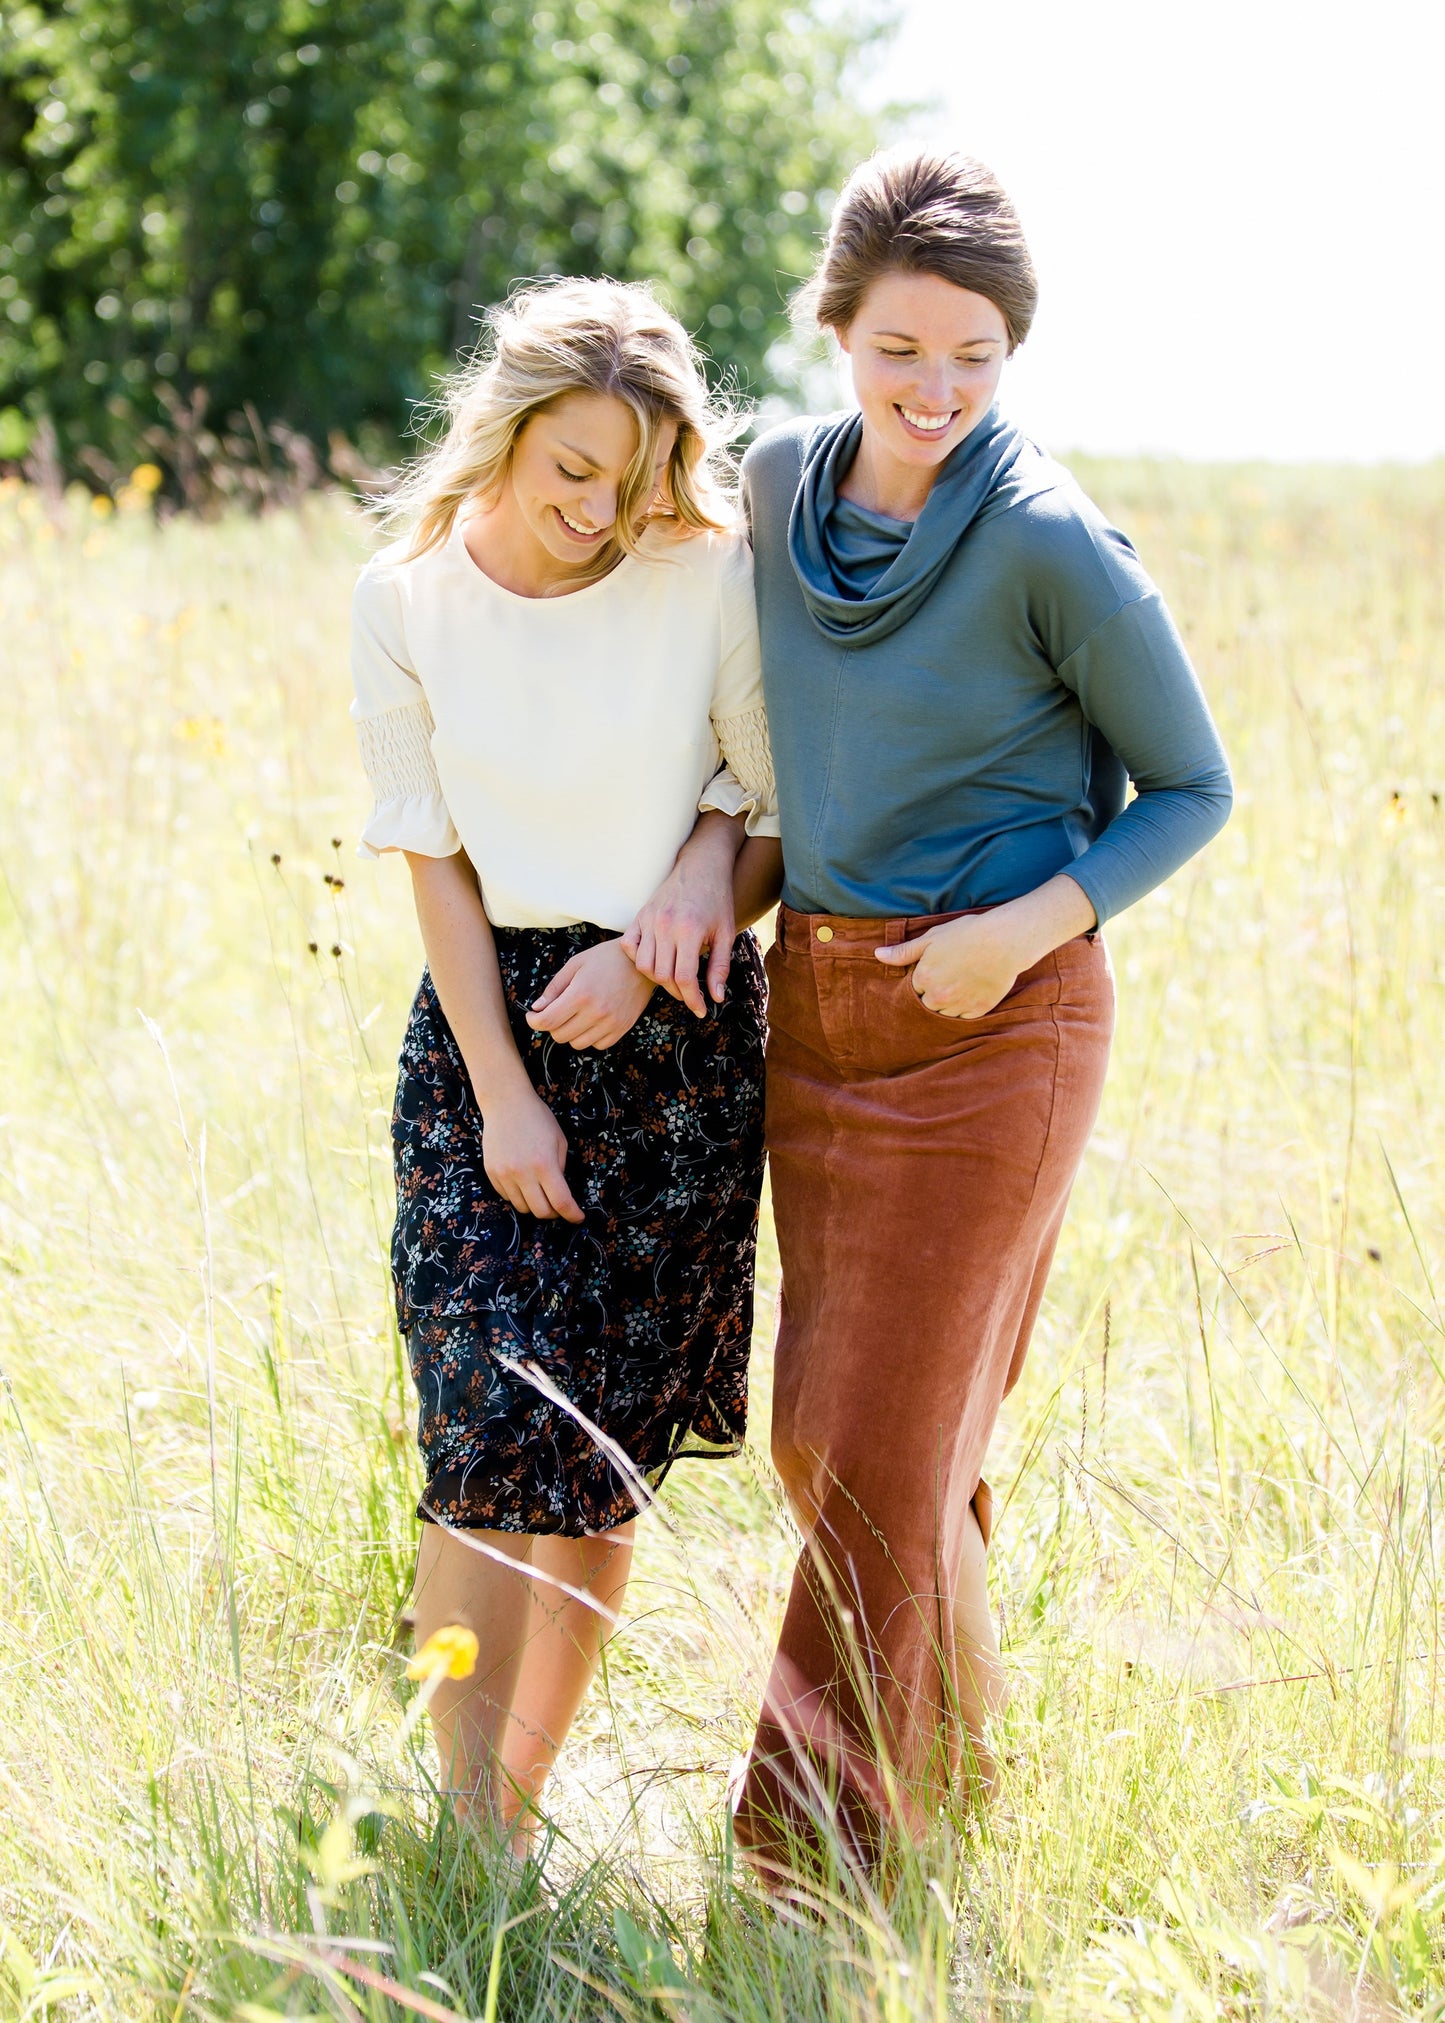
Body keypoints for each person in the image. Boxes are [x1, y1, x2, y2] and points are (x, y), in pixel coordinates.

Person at [626, 149, 1233, 1874]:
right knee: (832, 1441)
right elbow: (763, 741)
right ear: (835, 330)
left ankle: (807, 1884)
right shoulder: (772, 487)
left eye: (974, 354)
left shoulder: (1048, 538)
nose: (937, 390)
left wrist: (1011, 937)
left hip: (997, 1022)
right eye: (901, 348)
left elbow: (1191, 787)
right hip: (816, 1014)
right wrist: (703, 873)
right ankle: (960, 1796)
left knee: (887, 1454)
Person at [349, 278, 782, 1845]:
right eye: (571, 471)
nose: (602, 509)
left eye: (633, 474)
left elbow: (764, 794)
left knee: (596, 1468)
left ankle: (516, 1824)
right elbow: (435, 868)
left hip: (676, 1039)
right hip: (487, 1042)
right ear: (507, 431)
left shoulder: (705, 574)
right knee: (480, 1439)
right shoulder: (403, 602)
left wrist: (680, 902)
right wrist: (505, 1097)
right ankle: (459, 1833)